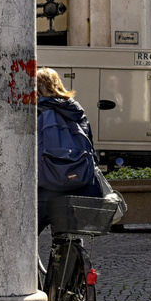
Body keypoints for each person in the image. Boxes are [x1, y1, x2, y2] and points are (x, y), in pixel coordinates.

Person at [36, 67, 105, 232]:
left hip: (47, 188)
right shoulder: (76, 112)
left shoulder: (36, 111)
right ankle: (73, 250)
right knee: (68, 233)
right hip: (81, 185)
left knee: (24, 237)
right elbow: (91, 149)